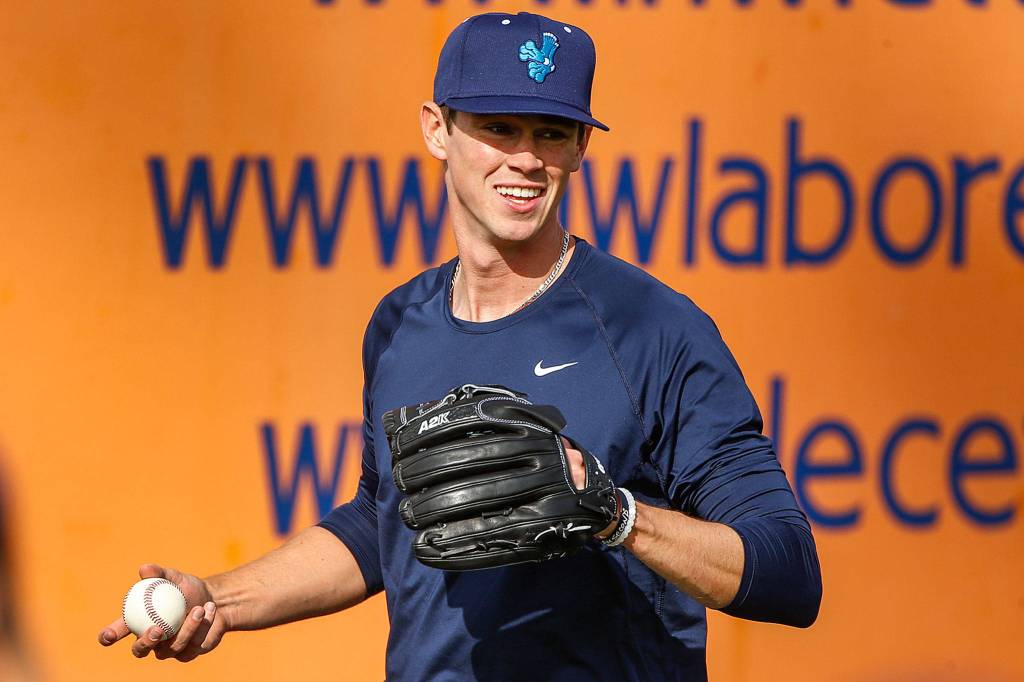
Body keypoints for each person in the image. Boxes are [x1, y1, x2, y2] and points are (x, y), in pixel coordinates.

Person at [99, 11, 821, 679]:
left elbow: (788, 571)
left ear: (581, 148)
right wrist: (218, 599)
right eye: (498, 128)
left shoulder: (651, 328)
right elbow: (380, 523)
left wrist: (615, 514)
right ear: (436, 129)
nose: (526, 158)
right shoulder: (398, 323)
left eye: (551, 133)